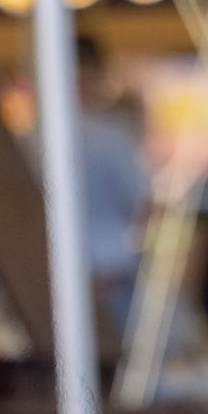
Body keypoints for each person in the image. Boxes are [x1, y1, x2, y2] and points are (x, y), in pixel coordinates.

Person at [70, 37, 151, 333]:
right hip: (112, 275)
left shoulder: (36, 135)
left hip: (65, 279)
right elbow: (141, 202)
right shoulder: (112, 137)